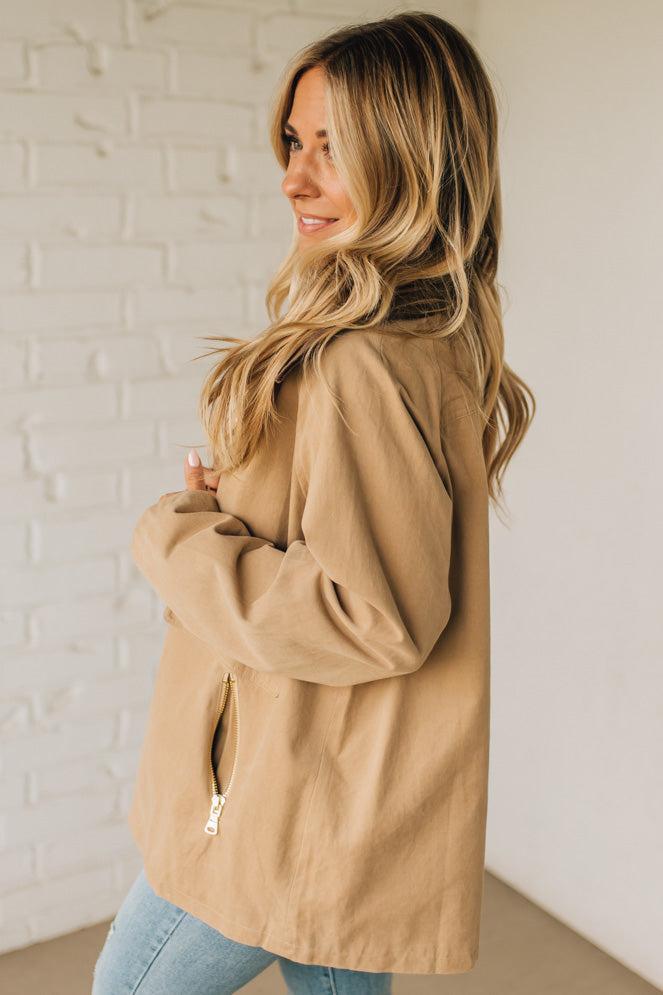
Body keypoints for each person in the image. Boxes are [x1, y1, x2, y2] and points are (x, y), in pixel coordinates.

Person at [92, 10, 535, 994]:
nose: (294, 178)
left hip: (283, 800)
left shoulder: (357, 362)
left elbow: (374, 615)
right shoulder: (428, 339)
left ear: (413, 161)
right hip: (346, 790)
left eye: (332, 148)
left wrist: (180, 536)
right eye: (295, 142)